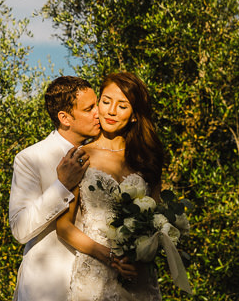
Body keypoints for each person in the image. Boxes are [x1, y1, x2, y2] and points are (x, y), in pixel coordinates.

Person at [56, 72, 167, 301]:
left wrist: (142, 252)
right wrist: (109, 257)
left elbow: (157, 219)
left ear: (135, 115)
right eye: (106, 102)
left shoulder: (148, 158)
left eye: (122, 105)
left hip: (138, 275)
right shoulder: (80, 156)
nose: (111, 110)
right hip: (94, 275)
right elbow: (64, 226)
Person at [9, 76, 101, 301]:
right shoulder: (30, 158)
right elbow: (20, 230)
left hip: (99, 283)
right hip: (48, 288)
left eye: (97, 104)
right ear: (65, 118)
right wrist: (62, 186)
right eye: (89, 108)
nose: (99, 112)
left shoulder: (106, 154)